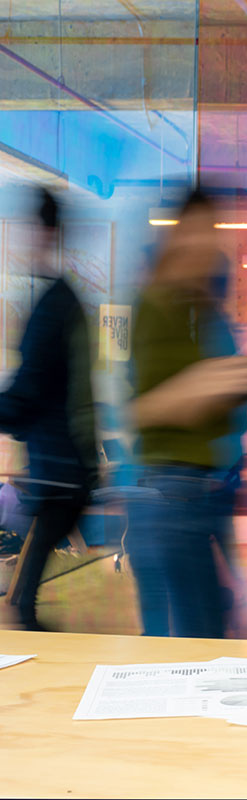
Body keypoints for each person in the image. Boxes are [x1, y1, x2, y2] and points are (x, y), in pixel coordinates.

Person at [126, 189, 247, 637]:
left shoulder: (203, 310)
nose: (208, 244)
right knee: (183, 649)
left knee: (209, 638)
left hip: (209, 491)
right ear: (177, 236)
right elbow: (145, 407)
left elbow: (215, 393)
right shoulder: (156, 305)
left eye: (213, 231)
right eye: (198, 230)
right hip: (170, 496)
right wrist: (219, 381)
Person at [0, 187, 97, 631]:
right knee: (23, 599)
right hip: (62, 467)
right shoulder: (63, 301)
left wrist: (12, 418)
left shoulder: (53, 307)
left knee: (22, 602)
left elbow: (28, 395)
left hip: (58, 472)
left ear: (43, 233)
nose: (15, 240)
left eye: (21, 229)